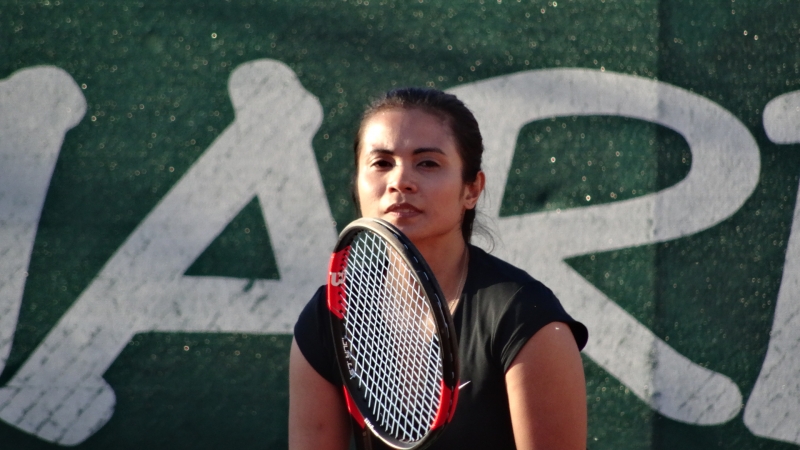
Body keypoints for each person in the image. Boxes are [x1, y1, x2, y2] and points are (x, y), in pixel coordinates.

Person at [289, 87, 588, 450]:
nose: (400, 181)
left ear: (472, 189)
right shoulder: (329, 316)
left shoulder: (525, 318)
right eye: (381, 163)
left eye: (427, 163)